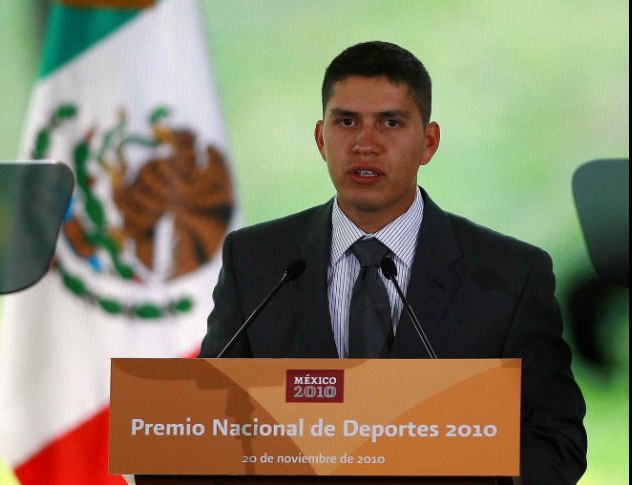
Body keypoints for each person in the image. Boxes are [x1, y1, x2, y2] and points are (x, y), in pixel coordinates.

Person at [199, 41, 586, 484]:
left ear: (429, 142)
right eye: (347, 122)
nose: (365, 144)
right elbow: (209, 421)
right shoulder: (256, 261)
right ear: (322, 139)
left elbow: (557, 443)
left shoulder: (511, 275)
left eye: (390, 123)